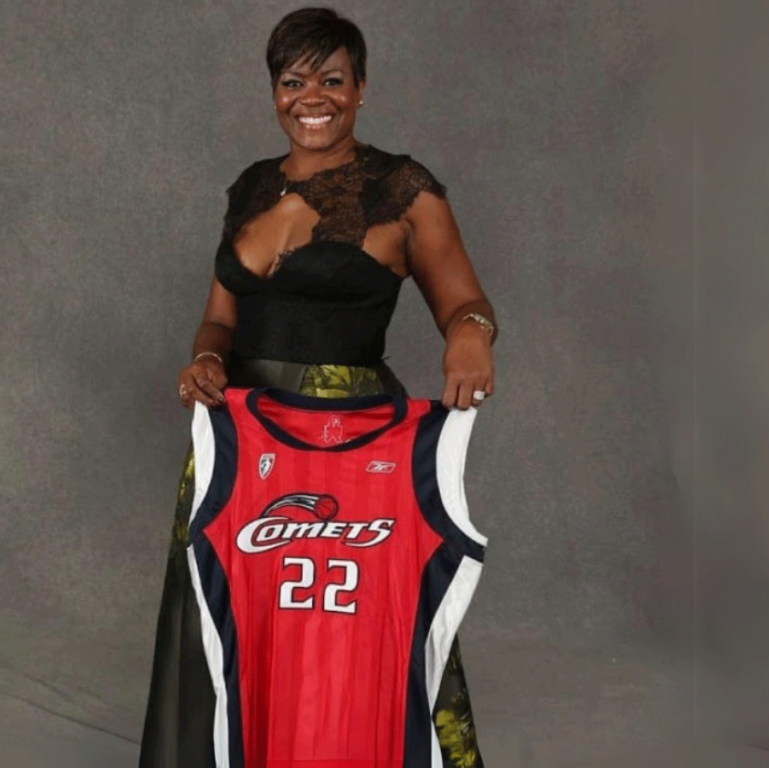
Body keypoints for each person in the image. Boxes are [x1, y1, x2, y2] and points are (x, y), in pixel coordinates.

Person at [139, 8, 498, 768]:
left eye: (332, 79)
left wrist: (471, 332)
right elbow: (217, 323)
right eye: (293, 80)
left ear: (361, 88)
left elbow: (464, 301)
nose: (313, 96)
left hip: (352, 440)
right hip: (243, 434)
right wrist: (204, 362)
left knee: (365, 622)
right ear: (274, 91)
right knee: (228, 615)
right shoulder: (251, 187)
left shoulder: (404, 190)